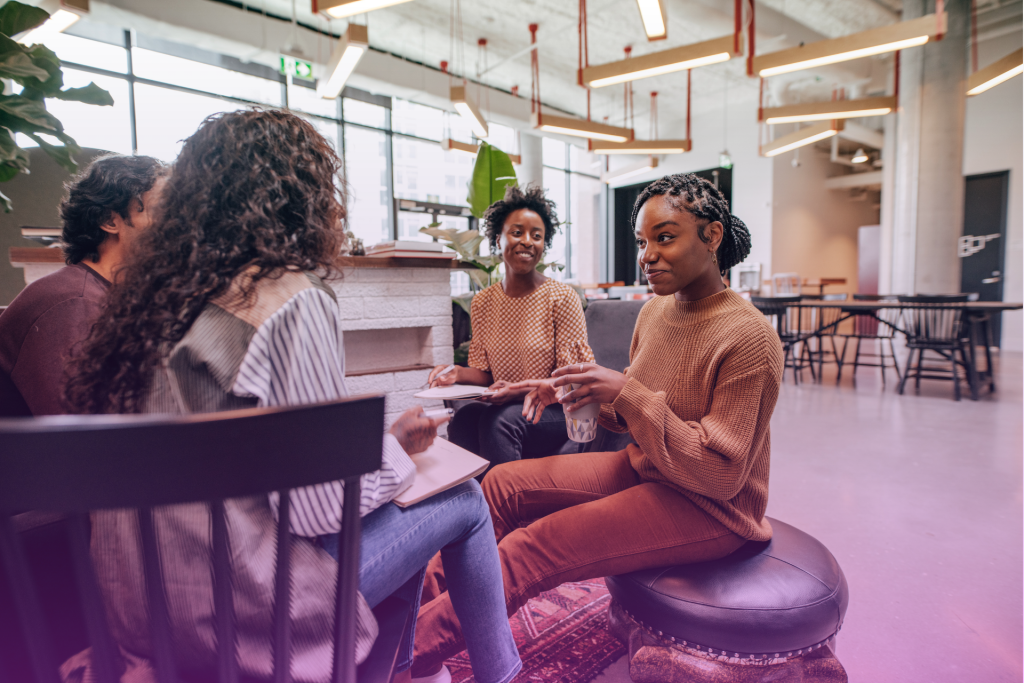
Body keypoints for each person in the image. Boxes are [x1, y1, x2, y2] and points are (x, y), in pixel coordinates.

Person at [64, 110, 520, 683]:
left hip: (143, 608)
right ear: (301, 196)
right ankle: (501, 675)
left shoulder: (151, 304)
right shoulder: (287, 296)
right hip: (242, 612)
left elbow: (246, 463)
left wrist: (381, 448)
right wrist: (398, 457)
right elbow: (317, 509)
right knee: (461, 503)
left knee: (401, 501)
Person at [410, 173, 785, 676]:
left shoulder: (749, 337)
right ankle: (395, 609)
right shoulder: (654, 314)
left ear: (712, 236)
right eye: (642, 242)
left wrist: (626, 393)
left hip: (711, 507)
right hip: (649, 467)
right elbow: (627, 410)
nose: (647, 255)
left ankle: (389, 655)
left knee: (530, 548)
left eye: (665, 237)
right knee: (498, 486)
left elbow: (721, 474)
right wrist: (573, 391)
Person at [426, 184, 594, 468]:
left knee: (498, 420)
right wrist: (455, 374)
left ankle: (504, 509)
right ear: (497, 238)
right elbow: (483, 374)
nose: (527, 241)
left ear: (544, 244)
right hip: (509, 406)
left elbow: (576, 379)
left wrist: (517, 391)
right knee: (465, 418)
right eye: (517, 232)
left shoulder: (562, 297)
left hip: (555, 409)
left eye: (536, 236)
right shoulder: (482, 302)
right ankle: (474, 504)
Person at [0, 154, 165, 416]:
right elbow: (83, 437)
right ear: (110, 221)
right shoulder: (74, 304)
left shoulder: (115, 297)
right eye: (162, 210)